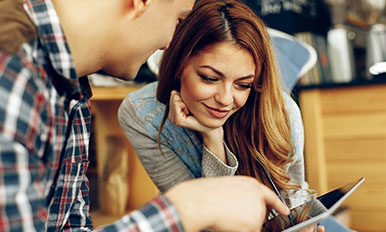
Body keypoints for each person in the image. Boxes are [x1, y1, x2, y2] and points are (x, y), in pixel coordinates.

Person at [0, 0, 292, 231]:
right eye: (178, 19)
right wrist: (190, 206)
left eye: (242, 84)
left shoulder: (71, 93)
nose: (168, 43)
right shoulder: (12, 73)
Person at [118, 0, 325, 231]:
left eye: (243, 84)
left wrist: (305, 223)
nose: (226, 99)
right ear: (179, 65)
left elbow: (295, 199)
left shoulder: (282, 112)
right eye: (209, 78)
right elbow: (204, 220)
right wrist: (213, 139)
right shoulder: (142, 114)